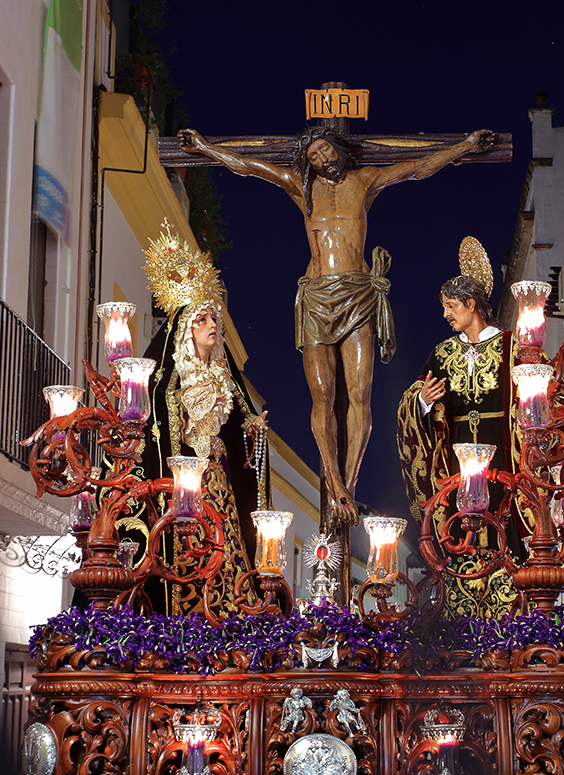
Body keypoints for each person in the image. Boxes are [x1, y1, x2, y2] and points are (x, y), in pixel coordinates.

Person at [177, 123, 494, 528]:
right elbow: (249, 166)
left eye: (325, 150)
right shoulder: (302, 188)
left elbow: (417, 167)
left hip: (357, 293)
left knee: (360, 394)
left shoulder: (365, 181)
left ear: (338, 148)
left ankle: (350, 484)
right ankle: (335, 484)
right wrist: (205, 147)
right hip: (316, 295)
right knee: (322, 397)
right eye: (313, 156)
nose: (322, 159)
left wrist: (464, 144)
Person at [124, 224, 268, 618]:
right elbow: (161, 409)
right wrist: (190, 406)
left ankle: (230, 612)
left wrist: (252, 430)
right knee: (192, 542)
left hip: (219, 475)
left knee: (226, 541)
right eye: (202, 319)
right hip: (187, 478)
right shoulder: (174, 378)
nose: (212, 324)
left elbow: (240, 425)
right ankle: (186, 612)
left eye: (214, 318)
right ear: (187, 330)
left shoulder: (224, 375)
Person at [397, 238, 522, 619]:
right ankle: (459, 614)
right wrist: (422, 400)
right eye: (445, 307)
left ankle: (509, 614)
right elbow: (413, 399)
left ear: (471, 304)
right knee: (460, 531)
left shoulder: (511, 347)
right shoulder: (442, 353)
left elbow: (540, 388)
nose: (446, 315)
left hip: (503, 458)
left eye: (451, 306)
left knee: (503, 526)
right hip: (455, 463)